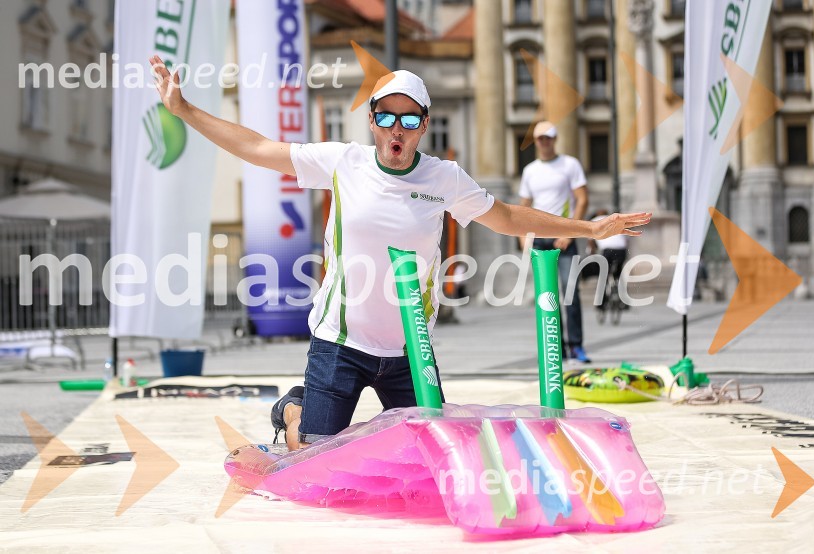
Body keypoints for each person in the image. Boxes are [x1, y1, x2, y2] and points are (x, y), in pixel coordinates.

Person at [149, 57, 651, 450]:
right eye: (386, 116)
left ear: (424, 124)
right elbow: (259, 149)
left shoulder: (444, 179)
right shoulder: (343, 162)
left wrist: (588, 226)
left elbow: (509, 217)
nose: (397, 129)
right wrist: (185, 111)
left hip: (411, 349)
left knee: (434, 455)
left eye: (409, 120)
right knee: (313, 454)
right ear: (371, 120)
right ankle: (293, 410)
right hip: (341, 342)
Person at [518, 121, 592, 363]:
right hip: (540, 240)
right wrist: (522, 236)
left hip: (564, 239)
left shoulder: (569, 164)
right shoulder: (530, 170)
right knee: (547, 296)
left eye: (548, 138)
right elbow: (524, 207)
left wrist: (571, 232)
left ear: (555, 139)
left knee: (570, 293)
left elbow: (582, 199)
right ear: (536, 141)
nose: (544, 142)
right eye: (540, 138)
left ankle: (577, 346)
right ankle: (555, 348)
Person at [588, 208, 629, 310]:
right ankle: (624, 301)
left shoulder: (594, 222)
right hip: (621, 249)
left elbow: (591, 244)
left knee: (603, 276)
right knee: (618, 276)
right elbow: (625, 239)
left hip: (608, 251)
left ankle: (600, 303)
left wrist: (592, 254)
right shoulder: (613, 219)